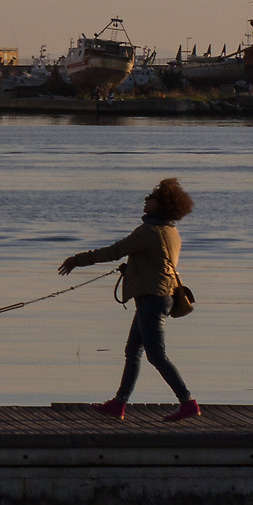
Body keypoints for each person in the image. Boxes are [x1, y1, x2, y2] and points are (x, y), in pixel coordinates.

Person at [59, 177, 200, 421]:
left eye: (152, 198)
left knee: (156, 355)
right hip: (158, 296)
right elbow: (157, 262)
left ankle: (187, 402)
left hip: (152, 299)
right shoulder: (171, 231)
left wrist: (77, 260)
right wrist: (133, 268)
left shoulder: (149, 232)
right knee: (133, 351)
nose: (147, 200)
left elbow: (114, 251)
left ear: (163, 204)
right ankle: (119, 404)